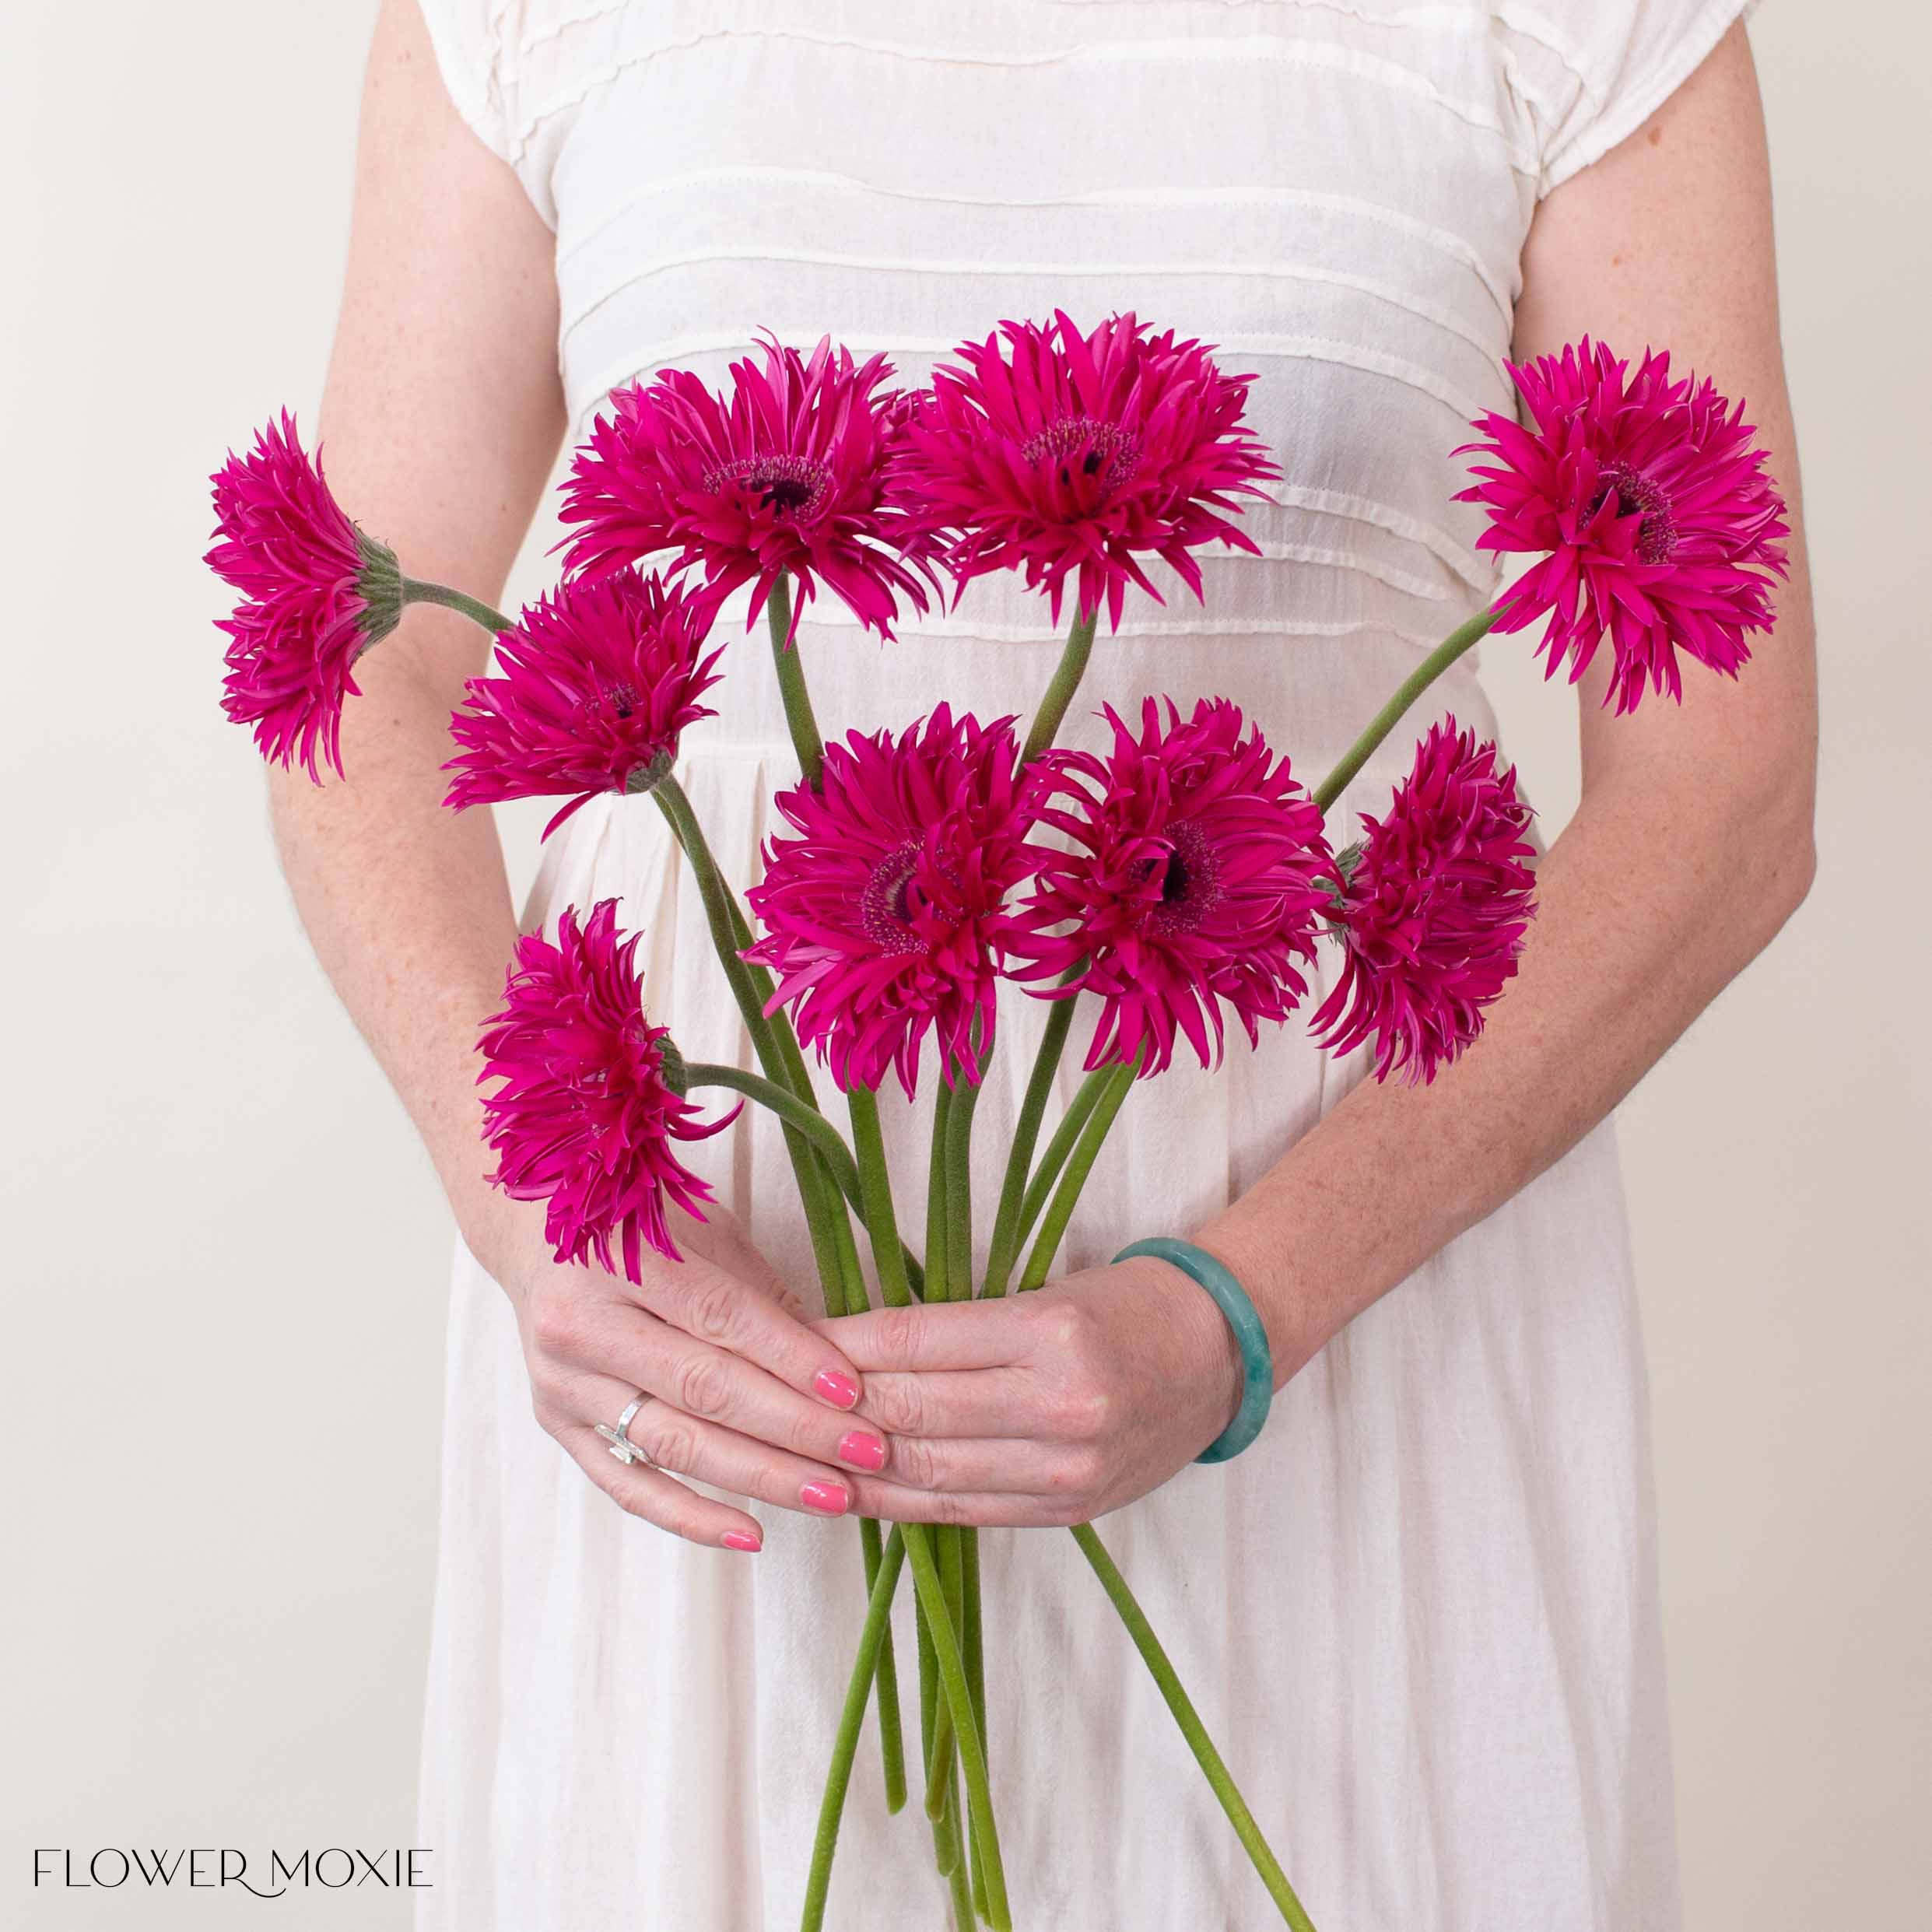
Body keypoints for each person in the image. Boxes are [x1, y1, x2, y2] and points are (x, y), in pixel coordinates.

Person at [275, 2, 1815, 1924]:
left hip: (1346, 1295)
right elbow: (365, 650)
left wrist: (1238, 1314)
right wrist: (542, 1206)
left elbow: (1723, 790)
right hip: (723, 1319)